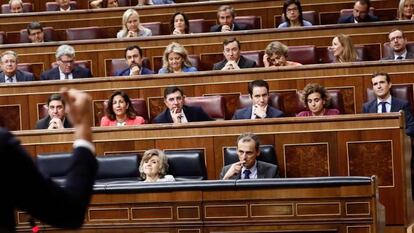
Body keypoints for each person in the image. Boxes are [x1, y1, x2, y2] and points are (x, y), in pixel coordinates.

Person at [0, 88, 98, 232]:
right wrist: (83, 126)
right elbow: (69, 213)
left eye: (59, 107)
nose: (55, 110)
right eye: (52, 107)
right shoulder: (3, 144)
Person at [362, 72, 414, 136]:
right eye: (375, 84)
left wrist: (396, 135)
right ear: (373, 88)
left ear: (389, 84)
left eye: (382, 82)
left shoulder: (403, 105)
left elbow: (412, 127)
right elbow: (364, 130)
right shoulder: (367, 107)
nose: (379, 86)